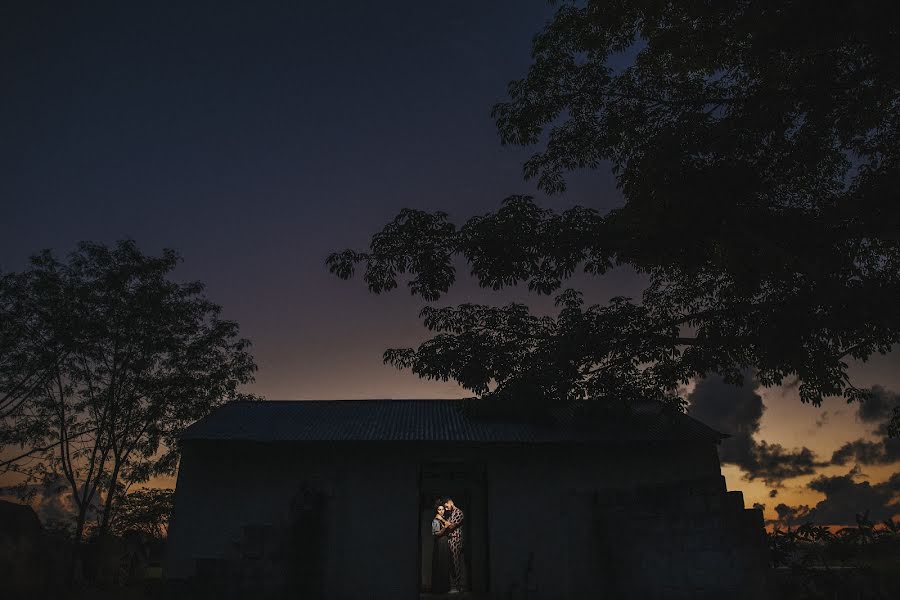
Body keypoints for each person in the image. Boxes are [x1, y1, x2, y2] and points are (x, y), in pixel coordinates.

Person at [443, 498, 466, 593]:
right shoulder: (451, 513)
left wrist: (442, 520)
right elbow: (448, 526)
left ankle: (458, 586)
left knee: (456, 563)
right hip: (450, 539)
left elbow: (451, 526)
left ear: (451, 503)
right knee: (451, 563)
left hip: (456, 540)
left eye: (446, 506)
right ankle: (454, 586)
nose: (446, 508)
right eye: (445, 507)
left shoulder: (459, 513)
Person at [430, 500, 452, 593]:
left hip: (444, 544)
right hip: (439, 544)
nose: (441, 511)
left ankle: (444, 588)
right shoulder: (435, 521)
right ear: (437, 511)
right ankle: (438, 588)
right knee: (439, 565)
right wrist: (444, 527)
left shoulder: (442, 519)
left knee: (444, 565)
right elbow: (436, 534)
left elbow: (449, 526)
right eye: (439, 509)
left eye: (443, 509)